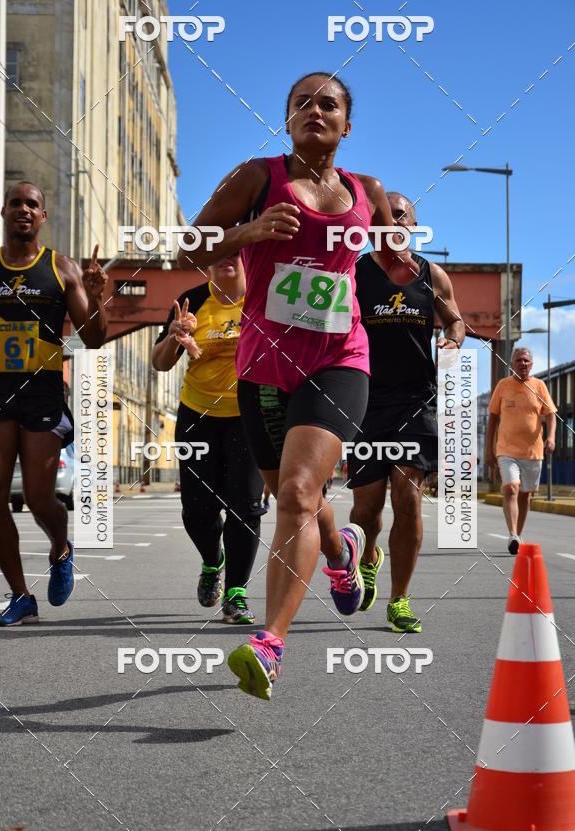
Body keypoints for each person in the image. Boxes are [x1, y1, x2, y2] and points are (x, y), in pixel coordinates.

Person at [178, 72, 419, 699]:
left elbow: (391, 263)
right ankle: (342, 554)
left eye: (329, 103)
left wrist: (395, 265)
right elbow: (187, 248)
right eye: (302, 103)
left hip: (340, 358)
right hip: (264, 365)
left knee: (295, 491)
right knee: (298, 500)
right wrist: (248, 234)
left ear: (347, 124)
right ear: (287, 119)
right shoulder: (257, 177)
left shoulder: (368, 191)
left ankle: (271, 643)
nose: (316, 109)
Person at [0, 181, 107, 625]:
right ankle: (20, 596)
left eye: (33, 204)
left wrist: (96, 296)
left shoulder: (63, 269)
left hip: (43, 391)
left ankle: (61, 546)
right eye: (16, 203)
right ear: (4, 212)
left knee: (36, 497)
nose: (24, 210)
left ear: (42, 216)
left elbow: (94, 338)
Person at [348, 192, 465, 632]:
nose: (391, 221)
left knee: (407, 497)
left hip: (416, 401)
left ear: (413, 224)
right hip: (364, 400)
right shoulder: (354, 272)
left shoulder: (431, 275)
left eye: (400, 215)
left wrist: (453, 339)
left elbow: (456, 320)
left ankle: (400, 600)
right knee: (366, 511)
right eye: (382, 216)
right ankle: (369, 556)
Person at [152, 253, 264, 624]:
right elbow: (159, 361)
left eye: (234, 250)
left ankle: (236, 595)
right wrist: (174, 337)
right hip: (197, 415)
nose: (226, 258)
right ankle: (212, 560)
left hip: (249, 415)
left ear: (247, 256)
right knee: (197, 512)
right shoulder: (192, 301)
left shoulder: (264, 296)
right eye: (216, 253)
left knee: (244, 507)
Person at [485, 346, 556, 554]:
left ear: (531, 365)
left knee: (525, 495)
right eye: (519, 361)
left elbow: (551, 415)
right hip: (506, 450)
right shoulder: (503, 386)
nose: (522, 364)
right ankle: (513, 534)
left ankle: (518, 533)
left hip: (533, 452)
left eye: (526, 361)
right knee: (511, 488)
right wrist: (489, 449)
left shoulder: (540, 386)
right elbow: (492, 419)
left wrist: (550, 437)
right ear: (512, 364)